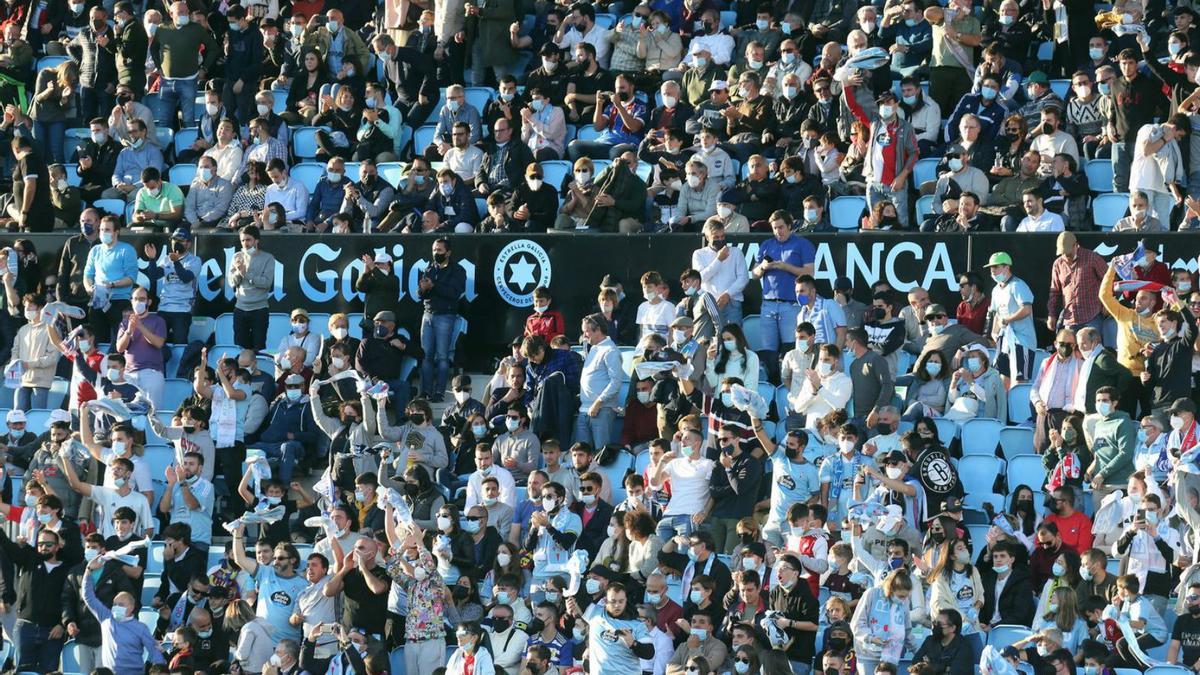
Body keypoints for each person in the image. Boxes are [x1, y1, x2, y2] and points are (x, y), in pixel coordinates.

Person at [418, 237, 465, 401]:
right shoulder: (429, 269)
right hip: (428, 314)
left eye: (439, 250)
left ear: (448, 252)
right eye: (434, 250)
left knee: (442, 356)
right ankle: (425, 391)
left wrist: (434, 286)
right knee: (426, 356)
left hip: (446, 315)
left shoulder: (458, 270)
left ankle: (439, 392)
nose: (435, 253)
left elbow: (454, 293)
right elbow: (421, 295)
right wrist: (423, 289)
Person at [228, 225, 276, 351]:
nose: (245, 243)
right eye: (242, 240)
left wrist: (246, 273)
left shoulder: (268, 258)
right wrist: (239, 271)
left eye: (248, 240)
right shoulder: (237, 257)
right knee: (240, 348)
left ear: (256, 240)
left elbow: (266, 283)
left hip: (259, 310)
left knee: (258, 348)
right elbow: (232, 282)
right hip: (240, 308)